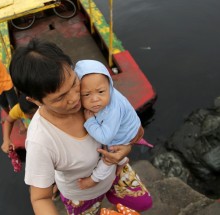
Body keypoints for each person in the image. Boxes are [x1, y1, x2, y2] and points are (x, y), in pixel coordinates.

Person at [10, 39, 152, 214]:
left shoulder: (90, 88)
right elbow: (40, 198)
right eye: (60, 98)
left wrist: (127, 147)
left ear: (72, 68)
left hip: (115, 172)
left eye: (73, 84)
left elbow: (133, 127)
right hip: (82, 193)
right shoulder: (40, 140)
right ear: (36, 101)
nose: (75, 98)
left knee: (143, 204)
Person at [74, 60, 144, 190]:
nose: (95, 99)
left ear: (110, 86)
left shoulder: (113, 110)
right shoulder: (105, 97)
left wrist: (90, 122)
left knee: (108, 155)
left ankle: (94, 179)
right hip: (126, 126)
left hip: (125, 133)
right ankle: (123, 161)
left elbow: (105, 137)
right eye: (86, 94)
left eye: (101, 92)